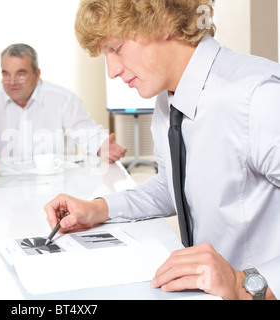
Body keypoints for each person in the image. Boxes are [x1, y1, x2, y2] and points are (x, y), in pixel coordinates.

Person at [44, 0, 279, 300]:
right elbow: (175, 186)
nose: (112, 70)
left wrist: (246, 283)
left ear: (162, 21)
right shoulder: (169, 99)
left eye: (115, 48)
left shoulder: (258, 99)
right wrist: (100, 209)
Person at [0, 43, 126, 164]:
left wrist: (102, 147)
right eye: (6, 74)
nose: (12, 81)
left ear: (37, 74)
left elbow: (86, 132)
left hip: (58, 183)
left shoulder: (63, 99)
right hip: (9, 184)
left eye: (21, 74)